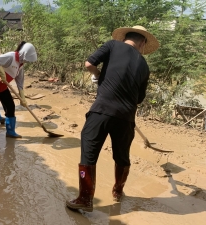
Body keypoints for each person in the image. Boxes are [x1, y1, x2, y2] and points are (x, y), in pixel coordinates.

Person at [66, 26, 159, 212]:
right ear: (142, 43)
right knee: (122, 156)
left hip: (101, 111)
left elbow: (88, 64)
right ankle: (117, 191)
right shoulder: (144, 65)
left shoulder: (112, 45)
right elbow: (139, 99)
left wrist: (98, 76)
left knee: (88, 154)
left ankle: (85, 198)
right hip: (126, 118)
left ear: (126, 37)